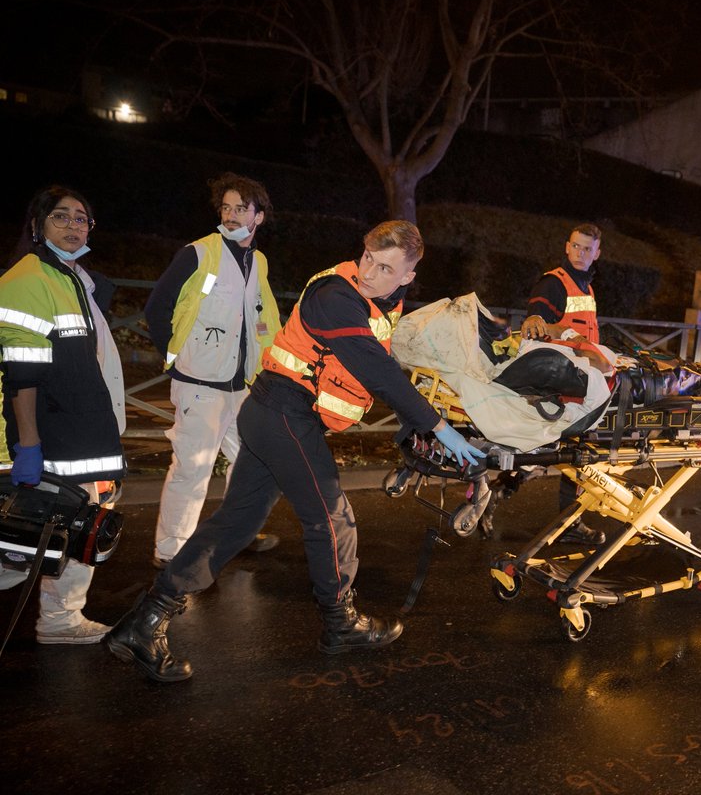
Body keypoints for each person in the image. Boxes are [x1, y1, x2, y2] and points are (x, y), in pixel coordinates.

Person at [105, 220, 484, 682]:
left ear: (407, 276)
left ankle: (144, 622)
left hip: (275, 414)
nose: (369, 270)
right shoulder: (335, 295)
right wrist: (439, 429)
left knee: (238, 521)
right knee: (331, 519)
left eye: (385, 267)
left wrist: (415, 424)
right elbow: (376, 368)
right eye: (367, 256)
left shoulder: (385, 302)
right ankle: (340, 623)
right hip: (285, 414)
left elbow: (376, 368)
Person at [0, 186, 126, 644]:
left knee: (63, 530)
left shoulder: (73, 278)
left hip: (81, 430)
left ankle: (60, 619)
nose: (74, 225)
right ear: (37, 226)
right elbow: (22, 374)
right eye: (61, 217)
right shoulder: (29, 280)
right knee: (30, 539)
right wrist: (28, 445)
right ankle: (59, 620)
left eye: (81, 218)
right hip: (55, 435)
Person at [144, 173, 282, 568]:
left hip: (243, 385)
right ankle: (171, 552)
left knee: (250, 463)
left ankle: (241, 531)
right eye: (226, 207)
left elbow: (263, 318)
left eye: (242, 208)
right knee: (193, 468)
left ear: (259, 217)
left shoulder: (258, 261)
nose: (233, 214)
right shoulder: (198, 253)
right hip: (200, 383)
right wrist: (175, 357)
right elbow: (158, 308)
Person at [518, 223, 606, 545]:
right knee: (569, 453)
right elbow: (536, 321)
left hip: (582, 384)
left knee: (561, 454)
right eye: (576, 246)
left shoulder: (586, 288)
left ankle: (498, 491)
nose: (581, 253)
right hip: (563, 387)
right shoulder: (555, 283)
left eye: (588, 249)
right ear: (567, 247)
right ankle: (567, 522)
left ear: (597, 253)